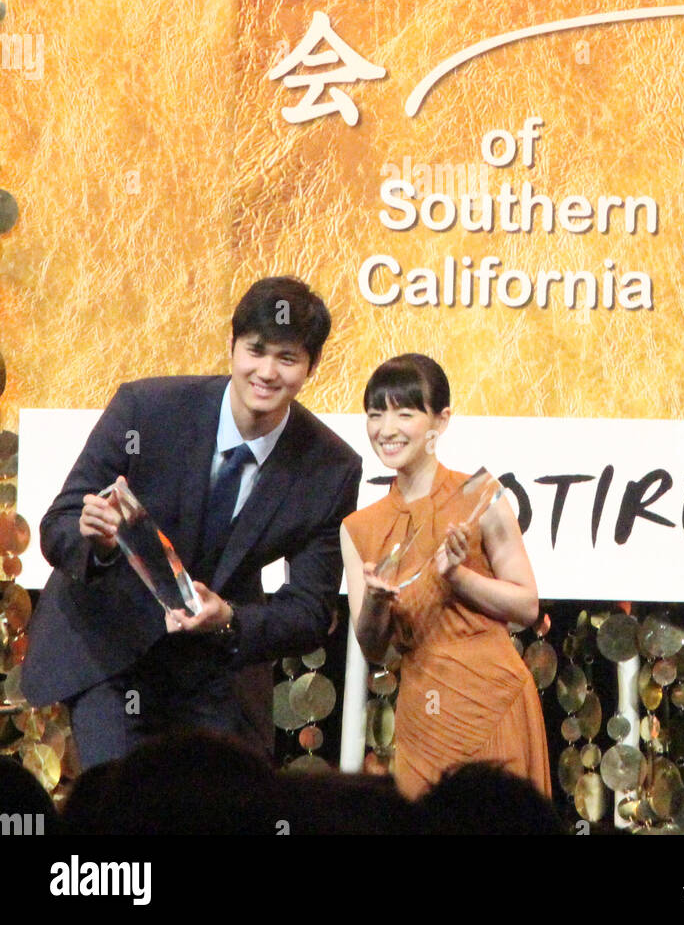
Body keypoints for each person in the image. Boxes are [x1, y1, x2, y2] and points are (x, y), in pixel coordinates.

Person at [21, 276, 361, 769]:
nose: (266, 372)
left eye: (287, 358)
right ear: (231, 346)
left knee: (211, 807)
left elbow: (310, 609)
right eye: (256, 350)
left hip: (213, 665)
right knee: (121, 802)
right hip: (112, 649)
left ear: (312, 366)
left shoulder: (330, 467)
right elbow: (61, 522)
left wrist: (231, 619)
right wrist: (99, 544)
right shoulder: (147, 409)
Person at [341, 353, 551, 800]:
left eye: (405, 412)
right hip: (423, 709)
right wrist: (376, 602)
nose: (386, 428)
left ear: (441, 420)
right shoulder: (359, 527)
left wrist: (459, 578)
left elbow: (527, 604)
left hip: (494, 697)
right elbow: (373, 648)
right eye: (375, 414)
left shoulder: (479, 493)